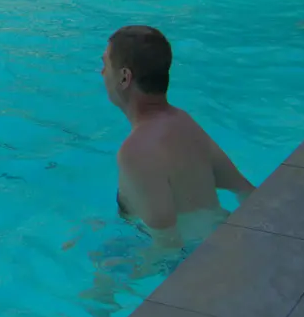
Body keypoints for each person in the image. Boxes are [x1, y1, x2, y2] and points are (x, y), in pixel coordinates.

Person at [101, 25, 254, 247]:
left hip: (196, 260)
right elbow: (245, 190)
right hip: (221, 236)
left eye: (105, 65)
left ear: (124, 77)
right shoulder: (184, 123)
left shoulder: (135, 151)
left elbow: (167, 245)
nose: (102, 73)